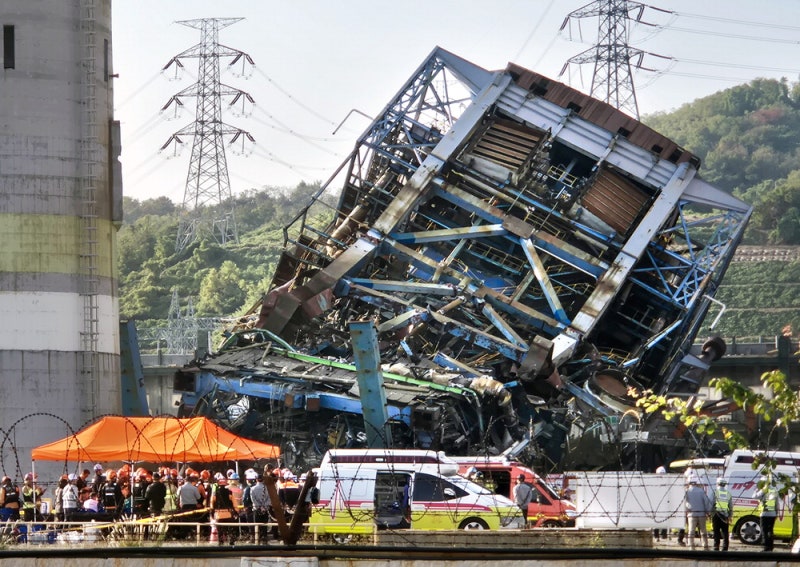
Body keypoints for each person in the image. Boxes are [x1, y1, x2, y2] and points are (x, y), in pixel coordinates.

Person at [685, 478, 711, 550]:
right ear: (696, 483)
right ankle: (705, 546)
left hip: (691, 514)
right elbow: (706, 502)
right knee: (703, 530)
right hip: (701, 513)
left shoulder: (687, 491)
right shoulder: (701, 491)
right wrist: (707, 511)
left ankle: (691, 546)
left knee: (691, 531)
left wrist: (687, 509)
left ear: (689, 483)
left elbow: (684, 502)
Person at [755, 476, 780, 552]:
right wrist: (776, 513)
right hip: (772, 513)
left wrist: (760, 489)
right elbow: (777, 504)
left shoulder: (762, 490)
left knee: (764, 531)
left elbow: (754, 496)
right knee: (770, 531)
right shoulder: (774, 490)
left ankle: (766, 547)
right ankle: (770, 547)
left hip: (764, 514)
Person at [211, 477, 237, 546]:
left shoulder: (215, 493)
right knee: (230, 530)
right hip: (228, 514)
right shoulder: (229, 492)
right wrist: (236, 511)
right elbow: (234, 503)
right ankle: (232, 544)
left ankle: (221, 543)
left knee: (220, 531)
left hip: (218, 515)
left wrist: (211, 513)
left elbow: (212, 503)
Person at [711, 477, 732, 551]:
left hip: (716, 515)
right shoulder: (728, 493)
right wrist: (730, 516)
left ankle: (716, 546)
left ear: (717, 484)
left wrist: (710, 513)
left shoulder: (715, 492)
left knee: (716, 531)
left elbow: (711, 503)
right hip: (725, 515)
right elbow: (730, 506)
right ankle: (725, 547)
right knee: (725, 532)